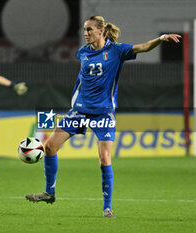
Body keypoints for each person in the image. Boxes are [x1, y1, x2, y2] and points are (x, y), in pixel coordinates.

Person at [25, 16, 181, 217]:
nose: (85, 33)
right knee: (49, 146)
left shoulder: (116, 51)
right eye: (84, 30)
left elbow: (142, 47)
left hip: (103, 112)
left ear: (101, 31)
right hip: (79, 111)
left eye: (89, 30)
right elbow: (83, 80)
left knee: (104, 159)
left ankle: (107, 207)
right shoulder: (83, 53)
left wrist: (160, 39)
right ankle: (49, 192)